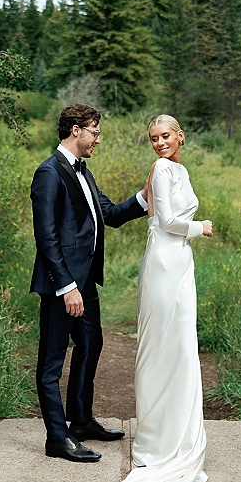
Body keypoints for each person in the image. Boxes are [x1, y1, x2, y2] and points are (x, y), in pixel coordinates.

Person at [93, 114, 213, 482]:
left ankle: (173, 431)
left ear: (181, 135)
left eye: (165, 136)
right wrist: (202, 227)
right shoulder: (163, 167)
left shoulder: (179, 168)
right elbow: (167, 220)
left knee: (179, 346)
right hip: (165, 261)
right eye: (153, 138)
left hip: (177, 262)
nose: (159, 143)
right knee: (164, 347)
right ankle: (158, 440)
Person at [30, 103, 148, 463]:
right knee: (51, 364)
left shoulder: (84, 172)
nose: (98, 138)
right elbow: (46, 237)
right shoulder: (49, 173)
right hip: (61, 285)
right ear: (76, 130)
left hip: (86, 282)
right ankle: (57, 438)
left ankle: (80, 421)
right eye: (95, 131)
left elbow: (109, 214)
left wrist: (145, 197)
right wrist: (66, 287)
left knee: (90, 344)